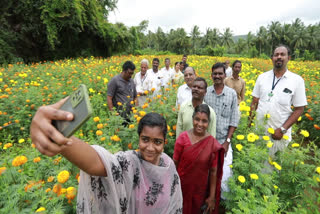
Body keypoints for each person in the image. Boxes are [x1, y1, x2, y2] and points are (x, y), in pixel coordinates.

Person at [30, 102, 183, 214]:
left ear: (165, 143)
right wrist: (57, 135)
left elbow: (174, 204)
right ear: (139, 139)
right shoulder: (129, 162)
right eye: (145, 139)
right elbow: (96, 163)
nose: (150, 147)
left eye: (157, 142)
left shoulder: (168, 166)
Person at [249, 45, 307, 157]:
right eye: (276, 55)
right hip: (259, 131)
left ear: (288, 58)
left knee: (272, 168)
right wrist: (249, 124)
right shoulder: (262, 77)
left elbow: (299, 109)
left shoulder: (296, 80)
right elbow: (254, 101)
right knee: (254, 163)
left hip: (278, 135)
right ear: (272, 58)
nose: (279, 57)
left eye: (282, 54)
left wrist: (282, 129)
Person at [173, 104, 224, 214]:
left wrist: (211, 196)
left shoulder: (211, 143)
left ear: (208, 123)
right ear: (192, 119)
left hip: (200, 190)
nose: (200, 124)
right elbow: (175, 164)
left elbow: (214, 172)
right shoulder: (182, 138)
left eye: (204, 121)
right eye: (197, 119)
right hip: (181, 188)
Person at [204, 62, 239, 198]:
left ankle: (222, 202)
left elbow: (234, 120)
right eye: (215, 73)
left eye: (220, 73)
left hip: (223, 141)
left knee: (225, 176)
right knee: (207, 173)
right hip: (207, 141)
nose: (217, 76)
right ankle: (208, 199)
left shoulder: (231, 94)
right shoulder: (206, 93)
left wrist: (227, 141)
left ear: (225, 75)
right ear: (211, 75)